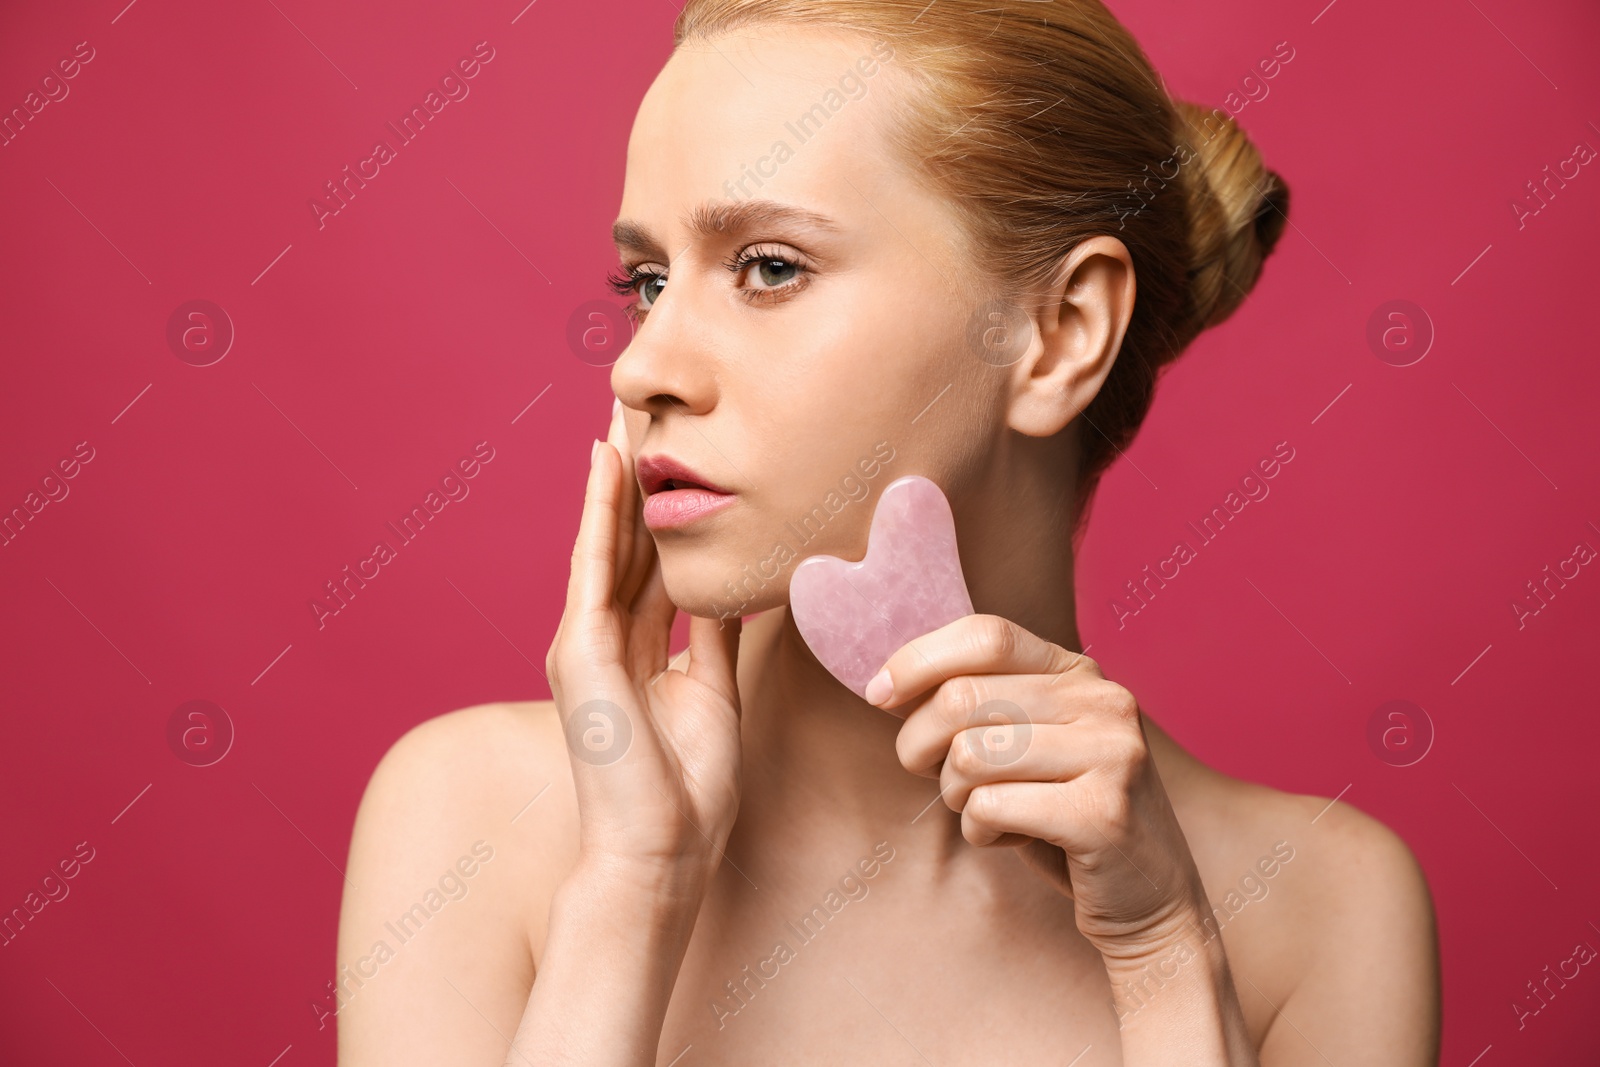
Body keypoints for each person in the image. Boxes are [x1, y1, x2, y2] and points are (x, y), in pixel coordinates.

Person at [336, 1, 1440, 1062]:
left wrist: (1162, 953)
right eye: (647, 281)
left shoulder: (1320, 908)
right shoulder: (471, 821)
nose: (640, 367)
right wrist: (631, 887)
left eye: (770, 267)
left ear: (1058, 332)